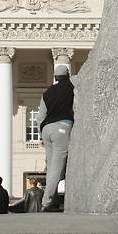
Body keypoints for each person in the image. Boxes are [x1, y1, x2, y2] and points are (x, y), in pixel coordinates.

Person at [39, 64, 75, 211]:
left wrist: (42, 134)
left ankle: (53, 201)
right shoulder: (71, 88)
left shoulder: (47, 92)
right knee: (56, 167)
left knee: (50, 167)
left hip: (46, 129)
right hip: (62, 127)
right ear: (68, 76)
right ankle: (46, 202)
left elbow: (40, 117)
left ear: (55, 77)